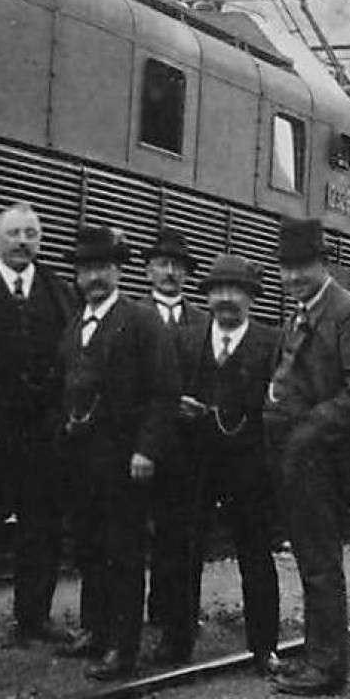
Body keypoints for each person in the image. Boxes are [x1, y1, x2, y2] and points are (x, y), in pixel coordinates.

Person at [262, 219, 350, 696]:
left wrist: (307, 429)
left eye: (303, 266)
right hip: (301, 458)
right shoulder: (303, 312)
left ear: (323, 264)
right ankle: (319, 655)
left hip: (328, 458)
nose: (294, 276)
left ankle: (329, 666)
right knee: (311, 557)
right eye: (286, 268)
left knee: (320, 561)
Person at [53, 225, 180, 680]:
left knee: (122, 553)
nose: (94, 278)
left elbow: (165, 392)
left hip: (125, 461)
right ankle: (94, 630)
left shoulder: (141, 321)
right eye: (86, 269)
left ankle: (122, 649)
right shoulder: (74, 326)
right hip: (81, 461)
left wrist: (146, 449)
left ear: (118, 271)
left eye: (103, 268)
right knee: (88, 548)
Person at [0, 202, 79, 645]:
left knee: (40, 529)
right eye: (14, 233)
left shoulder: (61, 293)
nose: (23, 241)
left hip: (42, 438)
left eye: (31, 234)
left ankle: (33, 618)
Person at [172, 254, 283, 674]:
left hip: (248, 469)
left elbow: (279, 405)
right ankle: (179, 641)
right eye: (218, 292)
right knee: (185, 551)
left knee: (255, 554)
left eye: (235, 292)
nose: (226, 300)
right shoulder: (187, 340)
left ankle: (264, 648)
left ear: (251, 298)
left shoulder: (271, 344)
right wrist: (176, 407)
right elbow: (167, 392)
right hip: (195, 464)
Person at [139, 227, 207, 641]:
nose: (170, 273)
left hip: (186, 444)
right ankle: (133, 612)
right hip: (143, 442)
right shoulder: (132, 315)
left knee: (182, 532)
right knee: (131, 530)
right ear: (148, 270)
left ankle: (177, 613)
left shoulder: (202, 321)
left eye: (178, 267)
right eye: (163, 264)